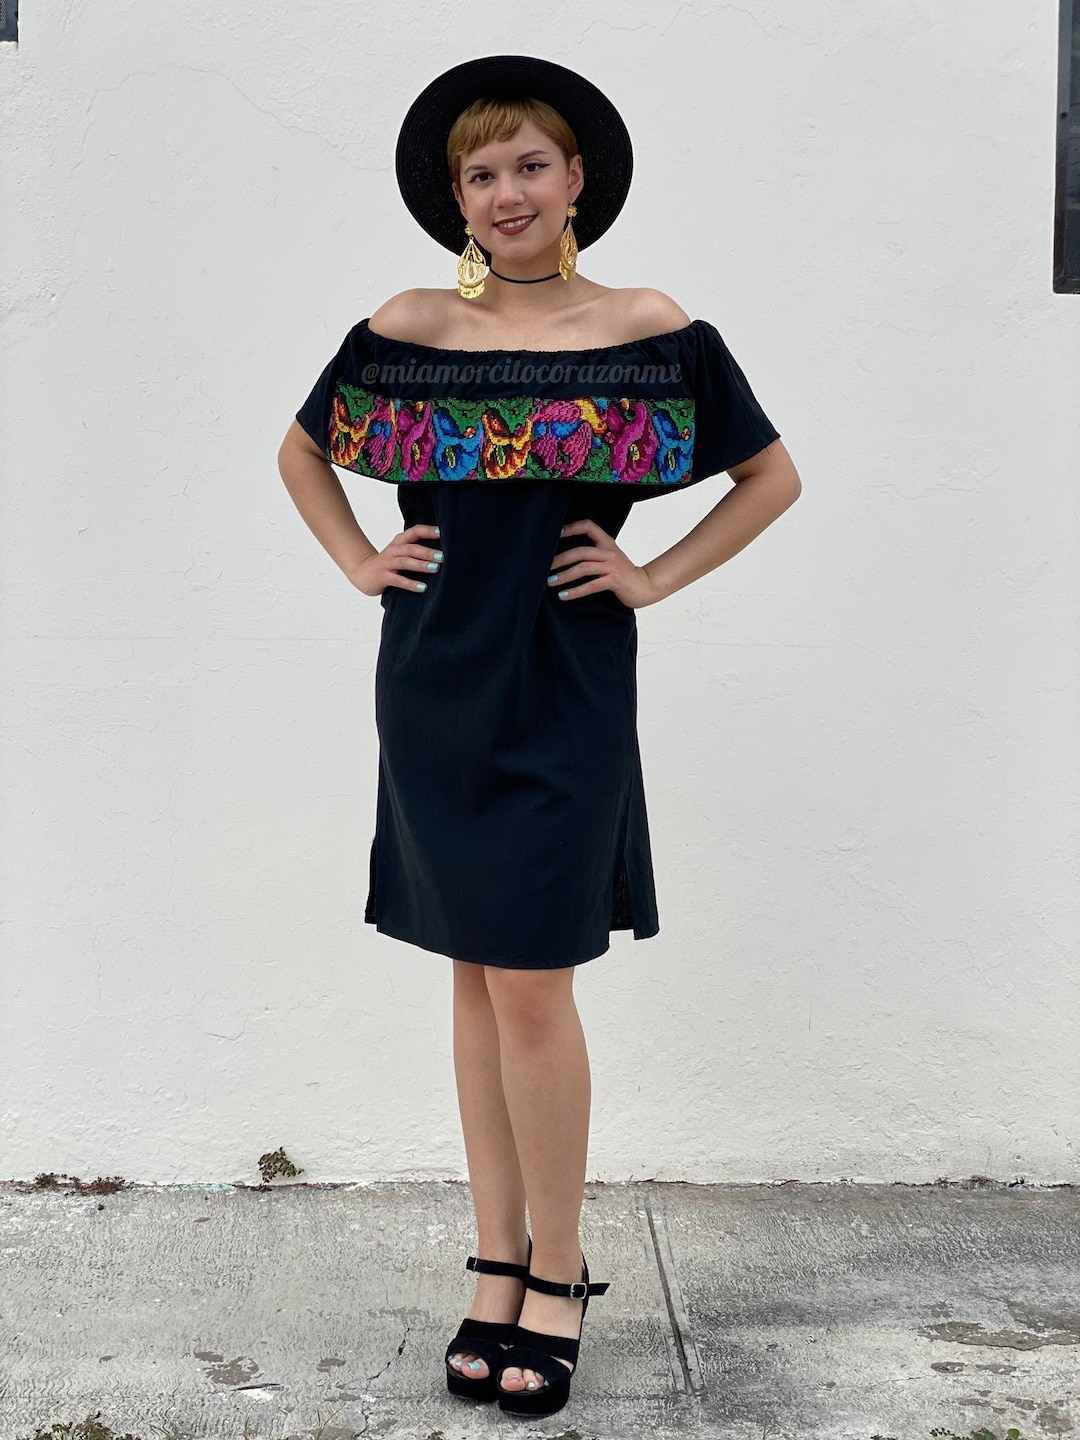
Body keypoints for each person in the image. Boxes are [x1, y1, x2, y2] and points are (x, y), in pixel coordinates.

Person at [277, 53, 801, 1419]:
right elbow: (300, 454)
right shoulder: (406, 329)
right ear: (455, 200)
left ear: (578, 182)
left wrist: (653, 576)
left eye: (528, 165)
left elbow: (770, 477)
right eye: (479, 172)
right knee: (472, 972)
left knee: (531, 980)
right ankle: (495, 1264)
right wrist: (356, 561)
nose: (504, 192)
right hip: (435, 681)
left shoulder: (645, 327)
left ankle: (558, 1272)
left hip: (564, 678)